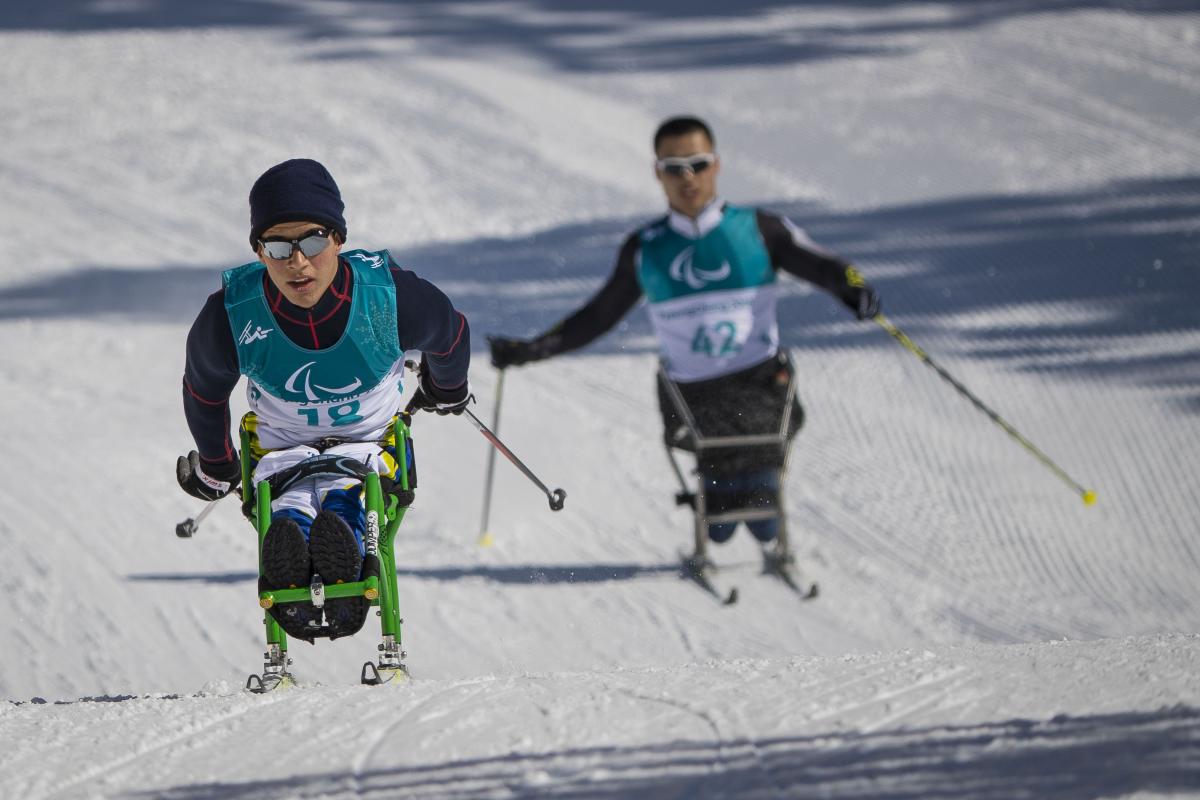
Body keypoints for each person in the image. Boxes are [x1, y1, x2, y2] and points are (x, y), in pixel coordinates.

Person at [488, 116, 879, 566]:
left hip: (760, 386)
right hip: (694, 396)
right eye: (674, 167)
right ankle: (722, 521)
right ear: (658, 173)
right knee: (723, 526)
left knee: (762, 517)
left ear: (716, 164)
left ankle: (769, 523)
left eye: (697, 163)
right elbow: (599, 315)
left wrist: (855, 289)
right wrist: (532, 349)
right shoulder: (646, 247)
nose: (687, 177)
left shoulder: (760, 229)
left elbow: (829, 267)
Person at [176, 158, 471, 640]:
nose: (297, 262)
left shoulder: (390, 297)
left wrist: (447, 385)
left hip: (368, 441)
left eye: (312, 240)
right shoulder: (231, 315)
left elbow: (451, 334)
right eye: (278, 246)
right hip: (282, 449)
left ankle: (337, 542)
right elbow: (202, 389)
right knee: (291, 495)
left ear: (338, 238)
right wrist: (219, 461)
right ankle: (298, 550)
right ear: (258, 250)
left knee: (348, 492)